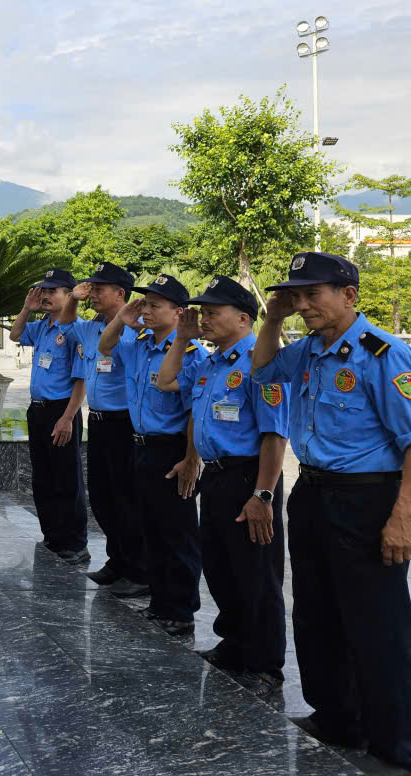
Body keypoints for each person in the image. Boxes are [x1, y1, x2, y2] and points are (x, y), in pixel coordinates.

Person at [250, 252, 411, 767]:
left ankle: (395, 739)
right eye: (296, 296)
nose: (303, 305)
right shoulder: (307, 351)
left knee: (377, 622)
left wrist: (402, 516)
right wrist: (271, 319)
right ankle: (336, 717)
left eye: (311, 294)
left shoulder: (382, 353)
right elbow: (260, 374)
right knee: (317, 611)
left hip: (367, 498)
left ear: (349, 294)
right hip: (314, 493)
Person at [155, 276, 289, 697]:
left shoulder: (261, 362)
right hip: (214, 476)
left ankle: (266, 665)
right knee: (220, 566)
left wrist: (263, 495)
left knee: (256, 573)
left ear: (244, 318)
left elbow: (274, 435)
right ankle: (235, 645)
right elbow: (168, 380)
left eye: (214, 312)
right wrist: (182, 336)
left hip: (249, 476)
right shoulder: (211, 362)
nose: (205, 319)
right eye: (203, 312)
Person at [98, 273, 207, 635]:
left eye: (155, 305)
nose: (145, 310)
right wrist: (121, 319)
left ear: (179, 313)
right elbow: (104, 346)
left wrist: (192, 458)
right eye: (144, 303)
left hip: (171, 449)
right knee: (151, 528)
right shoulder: (141, 343)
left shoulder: (192, 354)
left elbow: (195, 410)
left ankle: (180, 610)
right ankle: (160, 602)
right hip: (139, 444)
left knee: (176, 533)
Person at [60, 261, 149, 596]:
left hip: (124, 423)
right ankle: (118, 561)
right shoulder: (90, 327)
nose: (93, 294)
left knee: (127, 499)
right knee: (103, 497)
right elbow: (67, 321)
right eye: (92, 288)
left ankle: (139, 570)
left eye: (100, 289)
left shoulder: (138, 331)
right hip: (98, 422)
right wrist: (74, 298)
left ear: (120, 294)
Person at [9, 268, 89, 563]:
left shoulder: (75, 330)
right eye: (43, 289)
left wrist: (68, 418)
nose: (44, 295)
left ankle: (75, 543)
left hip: (61, 410)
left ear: (70, 295)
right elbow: (16, 334)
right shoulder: (42, 326)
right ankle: (53, 536)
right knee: (43, 477)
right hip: (38, 409)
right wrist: (26, 309)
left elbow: (80, 380)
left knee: (66, 479)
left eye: (52, 291)